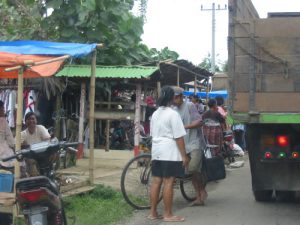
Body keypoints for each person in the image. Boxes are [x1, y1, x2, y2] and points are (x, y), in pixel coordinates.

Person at [149, 86, 189, 222]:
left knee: (156, 181)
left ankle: (153, 213)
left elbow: (152, 133)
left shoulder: (155, 113)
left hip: (156, 150)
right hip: (169, 152)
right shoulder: (173, 114)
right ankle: (168, 214)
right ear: (172, 98)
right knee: (168, 182)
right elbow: (179, 137)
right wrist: (184, 156)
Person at [173, 87, 207, 206]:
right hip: (183, 144)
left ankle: (202, 191)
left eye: (176, 97)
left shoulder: (190, 106)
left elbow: (199, 122)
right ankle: (199, 195)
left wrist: (184, 127)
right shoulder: (172, 109)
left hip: (194, 142)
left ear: (181, 97)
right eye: (173, 97)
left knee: (192, 169)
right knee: (192, 172)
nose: (174, 100)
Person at [21, 112, 51, 176]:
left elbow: (48, 140)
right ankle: (36, 177)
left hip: (43, 153)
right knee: (30, 161)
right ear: (25, 122)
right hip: (31, 157)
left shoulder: (41, 128)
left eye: (33, 119)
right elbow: (17, 145)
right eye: (29, 119)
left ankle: (49, 173)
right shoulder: (23, 134)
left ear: (36, 120)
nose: (31, 121)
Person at [0, 100, 15, 167]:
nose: (4, 111)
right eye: (3, 109)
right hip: (3, 152)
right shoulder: (3, 121)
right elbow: (11, 142)